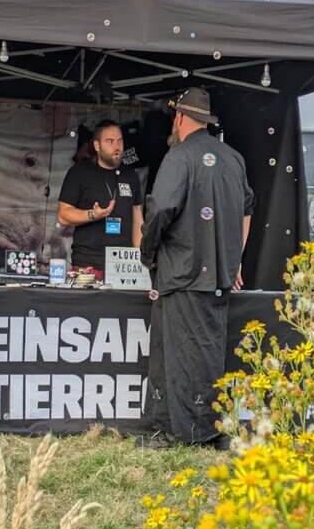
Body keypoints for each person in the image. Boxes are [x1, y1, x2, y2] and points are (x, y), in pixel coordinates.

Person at [139, 88, 254, 448]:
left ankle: (193, 433)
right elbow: (248, 209)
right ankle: (172, 428)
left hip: (182, 273)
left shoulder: (180, 156)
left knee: (181, 356)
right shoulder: (233, 158)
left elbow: (159, 211)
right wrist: (233, 259)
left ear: (179, 118)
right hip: (215, 276)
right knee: (199, 353)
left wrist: (148, 251)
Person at [57, 119, 144, 278]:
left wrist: (140, 258)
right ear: (97, 146)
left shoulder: (130, 176)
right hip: (88, 264)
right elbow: (63, 215)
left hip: (123, 266)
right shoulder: (79, 173)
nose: (117, 146)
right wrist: (92, 215)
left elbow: (138, 219)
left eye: (120, 141)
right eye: (110, 141)